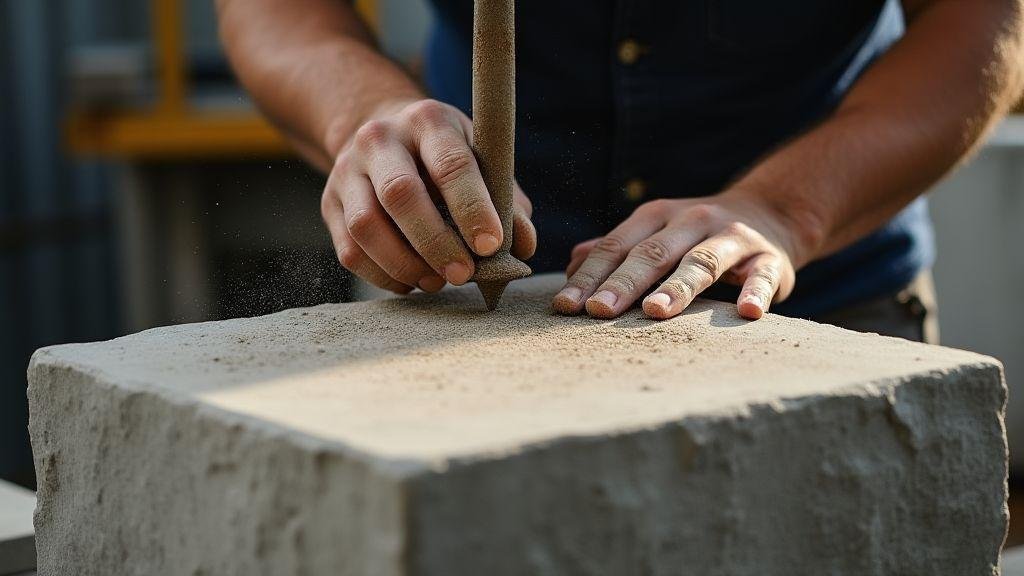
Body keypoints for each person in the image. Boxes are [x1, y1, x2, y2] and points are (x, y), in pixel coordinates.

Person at [216, 0, 1023, 343]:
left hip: (821, 298)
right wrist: (361, 113)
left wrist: (786, 207)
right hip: (449, 299)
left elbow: (984, 20)